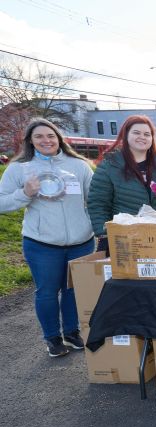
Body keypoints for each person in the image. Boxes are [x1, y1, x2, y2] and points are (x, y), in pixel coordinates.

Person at [0, 118, 95, 357]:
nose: (46, 140)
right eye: (39, 137)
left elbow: (94, 198)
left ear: (59, 139)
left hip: (81, 241)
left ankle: (72, 333)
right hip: (42, 243)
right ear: (30, 141)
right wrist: (24, 194)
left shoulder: (79, 165)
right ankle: (52, 338)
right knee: (47, 291)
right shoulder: (19, 168)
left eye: (51, 136)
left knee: (73, 290)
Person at [88, 115, 156, 249]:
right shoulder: (110, 166)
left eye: (147, 134)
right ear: (125, 135)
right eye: (136, 133)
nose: (142, 137)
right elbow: (98, 203)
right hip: (124, 238)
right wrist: (104, 234)